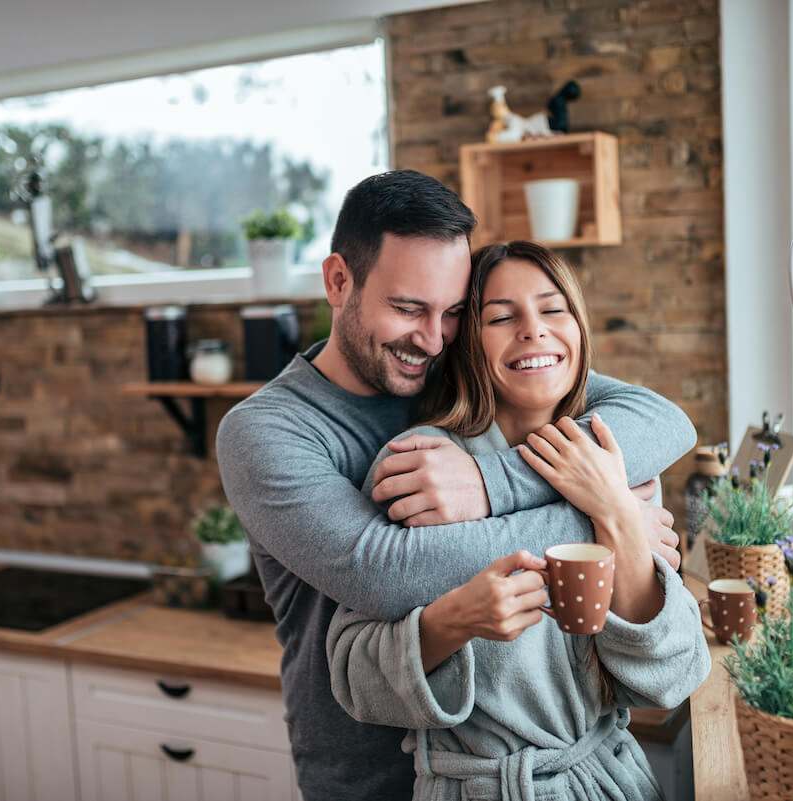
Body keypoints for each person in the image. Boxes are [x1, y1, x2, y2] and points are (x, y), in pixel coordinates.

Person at [215, 169, 696, 801]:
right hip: (369, 775)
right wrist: (609, 520)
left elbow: (663, 421)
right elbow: (381, 571)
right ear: (338, 281)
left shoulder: (460, 371)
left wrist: (489, 481)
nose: (433, 337)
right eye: (408, 308)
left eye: (452, 313)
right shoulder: (267, 431)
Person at [327, 241, 710, 801]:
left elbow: (672, 678)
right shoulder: (422, 469)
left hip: (608, 781)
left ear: (579, 329)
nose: (533, 330)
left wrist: (612, 506)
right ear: (469, 345)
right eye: (502, 317)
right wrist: (451, 621)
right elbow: (354, 677)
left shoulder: (614, 463)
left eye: (553, 309)